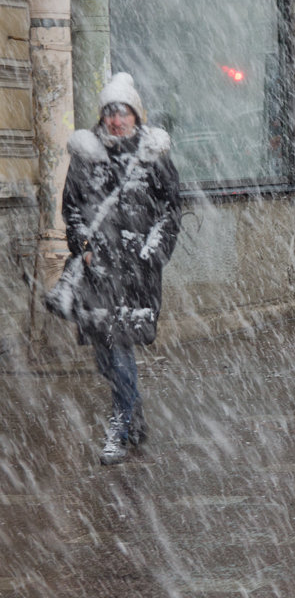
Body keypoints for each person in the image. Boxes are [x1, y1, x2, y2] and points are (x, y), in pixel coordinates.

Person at [58, 72, 181, 465]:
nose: (116, 120)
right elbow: (72, 209)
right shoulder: (86, 156)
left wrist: (153, 250)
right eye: (110, 112)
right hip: (97, 272)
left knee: (121, 348)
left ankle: (120, 425)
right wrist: (83, 246)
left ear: (136, 116)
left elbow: (170, 209)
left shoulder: (152, 157)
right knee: (104, 356)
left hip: (134, 270)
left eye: (123, 112)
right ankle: (135, 417)